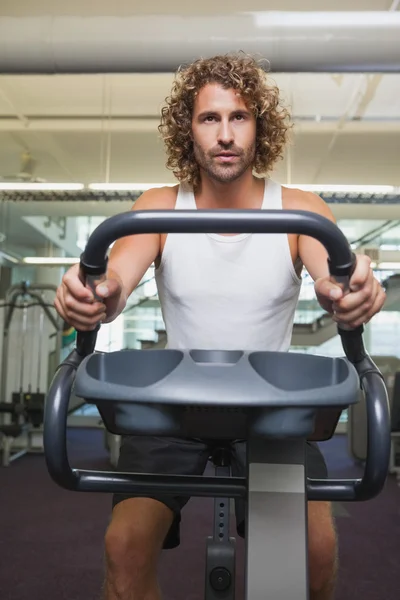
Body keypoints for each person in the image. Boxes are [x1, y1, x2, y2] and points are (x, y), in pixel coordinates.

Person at [54, 53, 386, 600]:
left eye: (240, 117)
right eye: (210, 118)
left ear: (260, 128)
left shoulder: (298, 211)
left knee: (314, 552)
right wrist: (93, 293)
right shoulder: (159, 210)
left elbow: (337, 278)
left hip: (273, 411)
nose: (226, 134)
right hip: (173, 408)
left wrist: (350, 292)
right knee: (124, 548)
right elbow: (113, 280)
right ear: (189, 129)